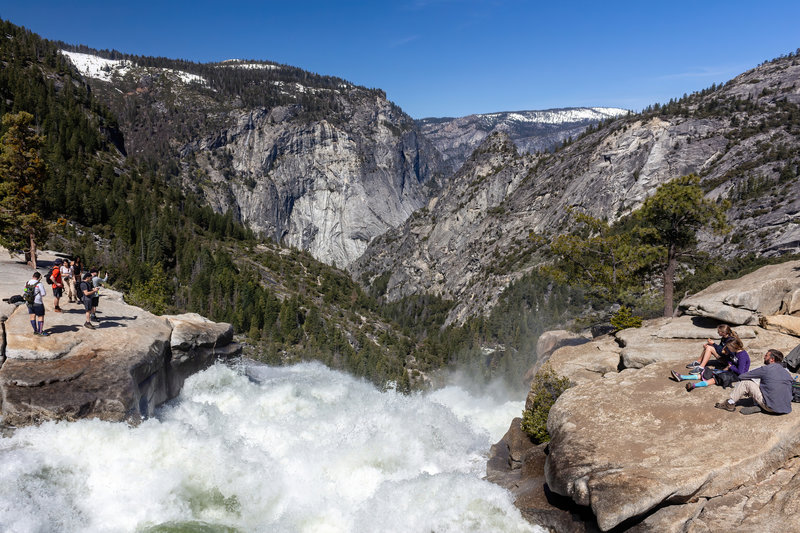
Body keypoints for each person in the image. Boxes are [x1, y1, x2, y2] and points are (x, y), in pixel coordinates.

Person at [715, 349, 793, 414]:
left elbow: (742, 376)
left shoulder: (766, 369)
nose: (764, 357)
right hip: (786, 408)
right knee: (768, 383)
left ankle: (729, 403)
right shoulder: (787, 373)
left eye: (766, 355)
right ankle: (758, 405)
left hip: (771, 407)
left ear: (772, 359)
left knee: (746, 382)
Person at [671, 339, 750, 391]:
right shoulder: (735, 352)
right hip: (731, 370)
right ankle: (682, 377)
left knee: (716, 378)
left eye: (729, 348)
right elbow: (731, 360)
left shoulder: (742, 355)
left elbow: (741, 372)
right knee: (708, 372)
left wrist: (731, 367)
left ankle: (694, 385)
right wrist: (729, 365)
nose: (728, 349)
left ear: (734, 346)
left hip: (737, 375)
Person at [24, 271, 49, 336]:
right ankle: (40, 331)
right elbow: (43, 294)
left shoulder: (27, 283)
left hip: (29, 302)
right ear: (38, 278)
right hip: (38, 302)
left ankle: (35, 331)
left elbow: (25, 291)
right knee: (40, 316)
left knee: (32, 316)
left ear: (33, 276)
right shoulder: (39, 284)